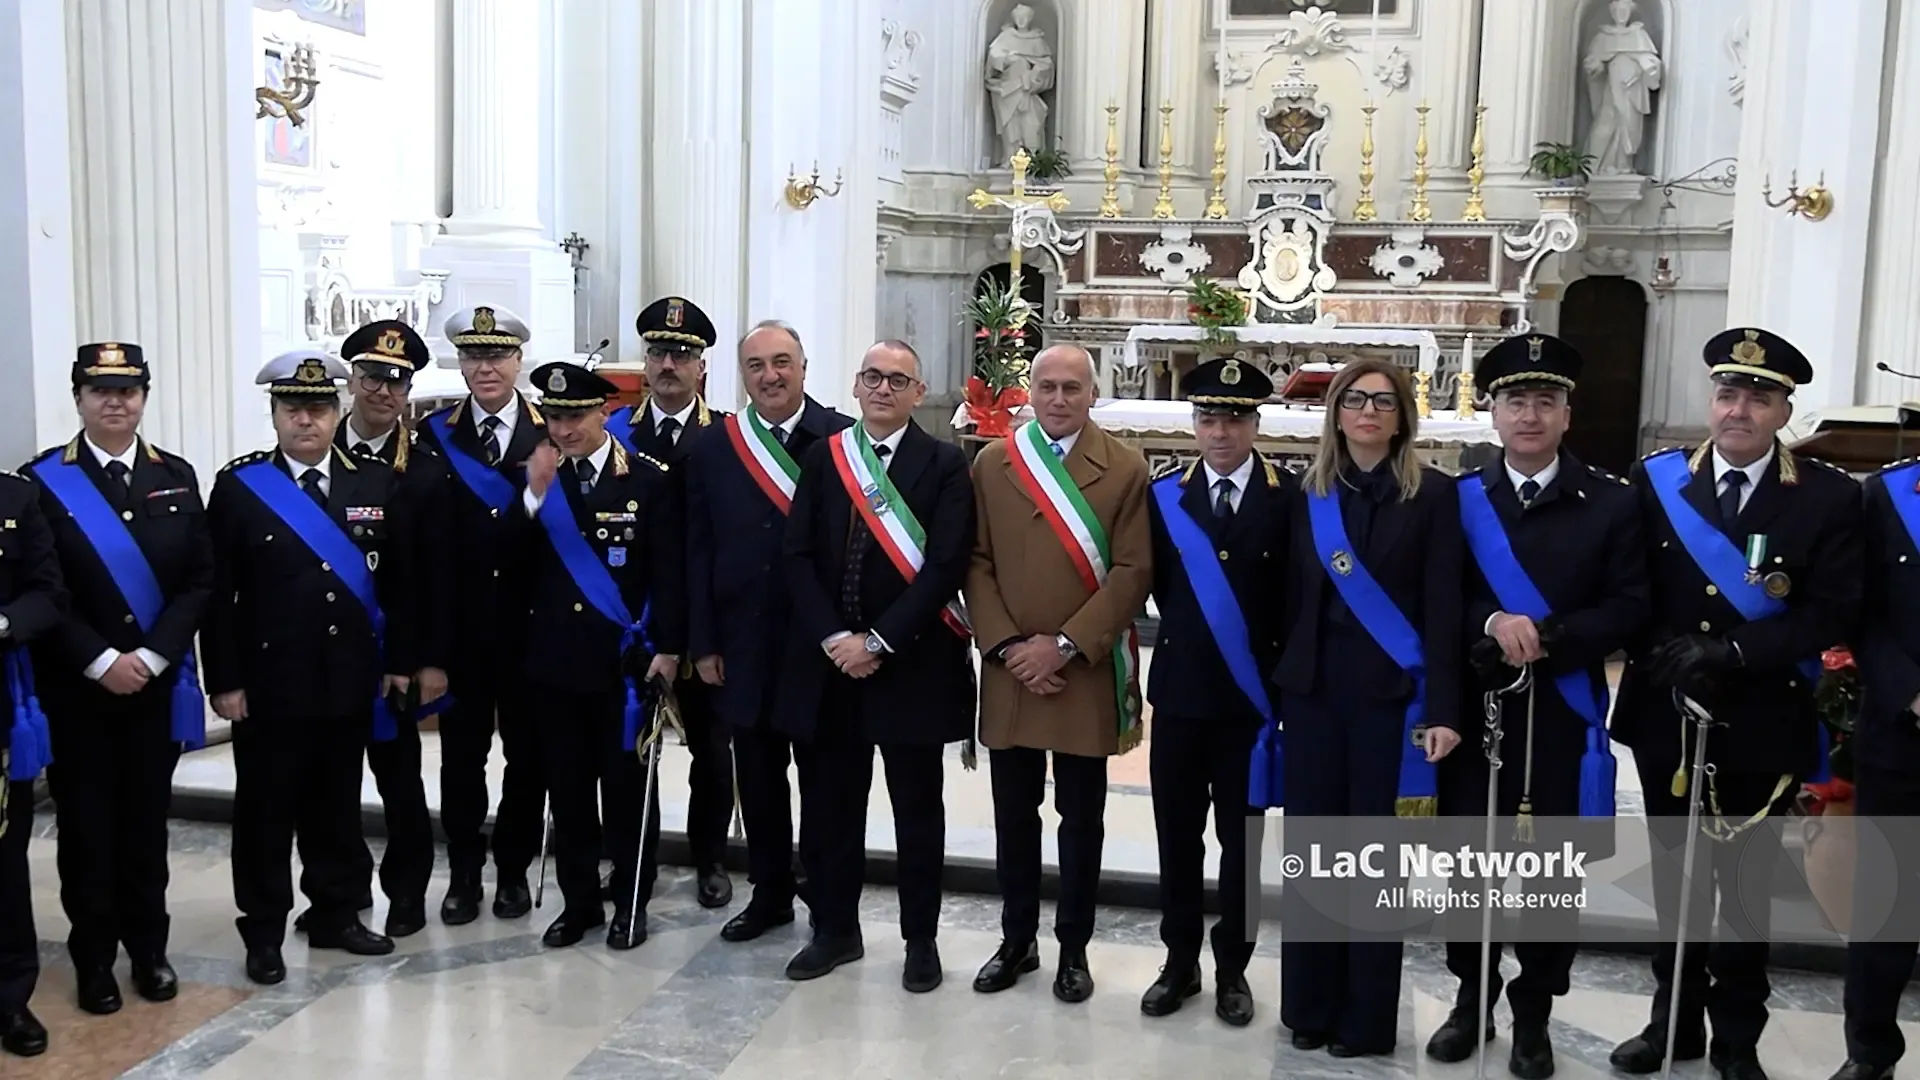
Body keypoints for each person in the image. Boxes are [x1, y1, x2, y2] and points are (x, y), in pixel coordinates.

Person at [1608, 328, 1861, 1080]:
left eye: (1759, 396)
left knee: (1745, 892)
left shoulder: (1827, 497)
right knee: (1674, 881)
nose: (1740, 409)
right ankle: (1671, 1024)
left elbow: (1835, 609)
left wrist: (1737, 653)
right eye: (1728, 393)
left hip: (1763, 712)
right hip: (1669, 712)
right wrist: (1675, 657)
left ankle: (1738, 1041)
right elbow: (1630, 589)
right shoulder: (1655, 480)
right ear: (1711, 402)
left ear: (1785, 410)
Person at [1425, 335, 1649, 1079]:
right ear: (1491, 412)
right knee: (1467, 869)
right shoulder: (1455, 501)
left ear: (1566, 414)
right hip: (1475, 713)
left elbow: (1630, 607)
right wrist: (1490, 624)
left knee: (1552, 876)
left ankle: (1534, 1014)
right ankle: (1471, 999)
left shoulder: (1613, 502)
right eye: (1515, 400)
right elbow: (1434, 601)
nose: (1529, 414)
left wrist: (1550, 637)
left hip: (1562, 716)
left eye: (1544, 401)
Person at [1264, 357, 1463, 1058]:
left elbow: (1444, 608)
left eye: (1384, 401)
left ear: (1403, 414)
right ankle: (1309, 1008)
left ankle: (1366, 1019)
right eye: (1356, 400)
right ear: (1336, 412)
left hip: (1391, 702)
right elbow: (1288, 599)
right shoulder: (1306, 493)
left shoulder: (1434, 496)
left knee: (1374, 862)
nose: (1369, 412)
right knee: (1315, 857)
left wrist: (1443, 707)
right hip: (1315, 694)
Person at [203, 350, 417, 984]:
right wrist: (226, 680)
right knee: (266, 812)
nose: (307, 420)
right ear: (273, 414)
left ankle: (336, 912)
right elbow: (216, 595)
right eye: (293, 408)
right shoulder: (241, 488)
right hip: (270, 683)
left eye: (319, 407)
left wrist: (396, 663)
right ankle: (264, 929)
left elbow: (400, 585)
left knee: (336, 806)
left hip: (349, 678)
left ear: (337, 410)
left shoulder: (373, 481)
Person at [776, 340, 976, 991]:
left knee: (917, 810)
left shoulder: (945, 464)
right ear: (856, 387)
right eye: (872, 377)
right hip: (833, 668)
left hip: (912, 667)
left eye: (898, 380)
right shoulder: (825, 457)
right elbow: (797, 555)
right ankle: (835, 929)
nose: (883, 389)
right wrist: (836, 636)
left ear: (919, 393)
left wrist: (879, 640)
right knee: (832, 806)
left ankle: (921, 939)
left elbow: (944, 565)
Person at [21, 343, 214, 1017]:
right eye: (100, 390)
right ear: (78, 397)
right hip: (80, 690)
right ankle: (95, 960)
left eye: (128, 390)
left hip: (153, 688)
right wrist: (101, 660)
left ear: (144, 397)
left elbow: (199, 580)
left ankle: (149, 951)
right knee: (86, 829)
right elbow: (43, 590)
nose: (115, 401)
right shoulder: (42, 481)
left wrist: (155, 657)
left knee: (144, 827)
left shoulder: (176, 475)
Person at [965, 343, 1152, 1004]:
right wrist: (1010, 646)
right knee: (1014, 814)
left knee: (1082, 816)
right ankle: (1016, 940)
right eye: (1047, 387)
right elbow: (975, 560)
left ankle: (1074, 946)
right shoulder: (994, 464)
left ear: (1092, 394)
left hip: (1083, 670)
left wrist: (1066, 645)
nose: (1059, 399)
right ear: (1030, 392)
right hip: (1012, 667)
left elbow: (1134, 571)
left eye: (1073, 387)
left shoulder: (1125, 468)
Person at [686, 320, 853, 943]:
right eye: (755, 366)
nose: (770, 376)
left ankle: (827, 900)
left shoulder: (842, 440)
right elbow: (697, 552)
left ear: (805, 367)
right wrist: (703, 643)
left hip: (819, 647)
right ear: (742, 375)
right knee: (756, 781)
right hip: (742, 645)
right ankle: (770, 893)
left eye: (782, 362)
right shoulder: (713, 448)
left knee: (823, 782)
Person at [1139, 356, 1289, 1027]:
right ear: (1193, 425)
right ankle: (1179, 963)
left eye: (1233, 418)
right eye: (1207, 417)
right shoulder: (1163, 494)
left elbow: (1295, 602)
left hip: (1250, 707)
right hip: (1179, 696)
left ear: (1255, 423)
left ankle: (1233, 968)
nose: (1220, 431)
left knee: (1242, 844)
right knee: (1177, 838)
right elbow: (1152, 589)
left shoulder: (1288, 499)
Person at [518, 361, 685, 950]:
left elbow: (670, 571)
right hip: (555, 663)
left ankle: (631, 901)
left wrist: (669, 647)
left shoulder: (647, 478)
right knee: (566, 788)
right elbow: (508, 566)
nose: (563, 430)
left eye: (575, 417)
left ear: (604, 413)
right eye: (554, 417)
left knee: (627, 788)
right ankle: (579, 900)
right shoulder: (537, 480)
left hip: (626, 666)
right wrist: (533, 499)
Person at [414, 305, 547, 925]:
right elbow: (424, 549)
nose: (485, 367)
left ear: (519, 360)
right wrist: (430, 652)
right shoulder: (432, 434)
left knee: (528, 761)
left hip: (530, 632)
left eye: (496, 356)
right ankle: (465, 874)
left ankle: (513, 871)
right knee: (462, 763)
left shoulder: (554, 433)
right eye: (473, 356)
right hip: (461, 636)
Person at [328, 319, 454, 938]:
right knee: (331, 784)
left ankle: (406, 892)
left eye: (398, 382)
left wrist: (427, 660)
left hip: (397, 659)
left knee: (400, 783)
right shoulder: (313, 460)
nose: (385, 390)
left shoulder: (426, 471)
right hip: (326, 658)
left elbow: (436, 579)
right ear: (352, 378)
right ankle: (340, 894)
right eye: (374, 376)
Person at [608, 296, 734, 910]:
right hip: (638, 621)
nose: (668, 364)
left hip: (709, 622)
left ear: (701, 366)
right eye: (658, 352)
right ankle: (637, 861)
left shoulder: (730, 436)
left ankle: (711, 857)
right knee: (634, 751)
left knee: (712, 751)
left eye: (682, 354)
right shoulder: (613, 434)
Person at [1838, 414, 1920, 1080]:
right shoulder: (1885, 496)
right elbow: (1859, 609)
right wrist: (1911, 693)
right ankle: (1870, 1053)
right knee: (1886, 902)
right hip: (1902, 733)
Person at [0, 469, 67, 1058]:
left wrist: (2, 623)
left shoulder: (14, 496)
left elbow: (48, 592)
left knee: (3, 859)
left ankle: (9, 998)